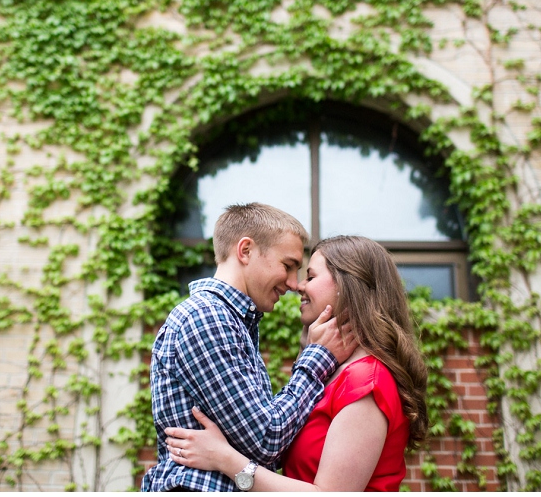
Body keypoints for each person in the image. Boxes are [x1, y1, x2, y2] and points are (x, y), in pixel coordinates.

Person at [163, 235, 429, 492]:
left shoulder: (365, 380)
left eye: (310, 277)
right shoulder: (335, 372)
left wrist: (225, 459)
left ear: (349, 285)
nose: (298, 285)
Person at [142, 203, 357, 492]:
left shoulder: (233, 322)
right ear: (245, 251)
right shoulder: (207, 318)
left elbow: (264, 449)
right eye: (288, 265)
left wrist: (226, 457)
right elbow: (266, 439)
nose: (294, 283)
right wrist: (317, 359)